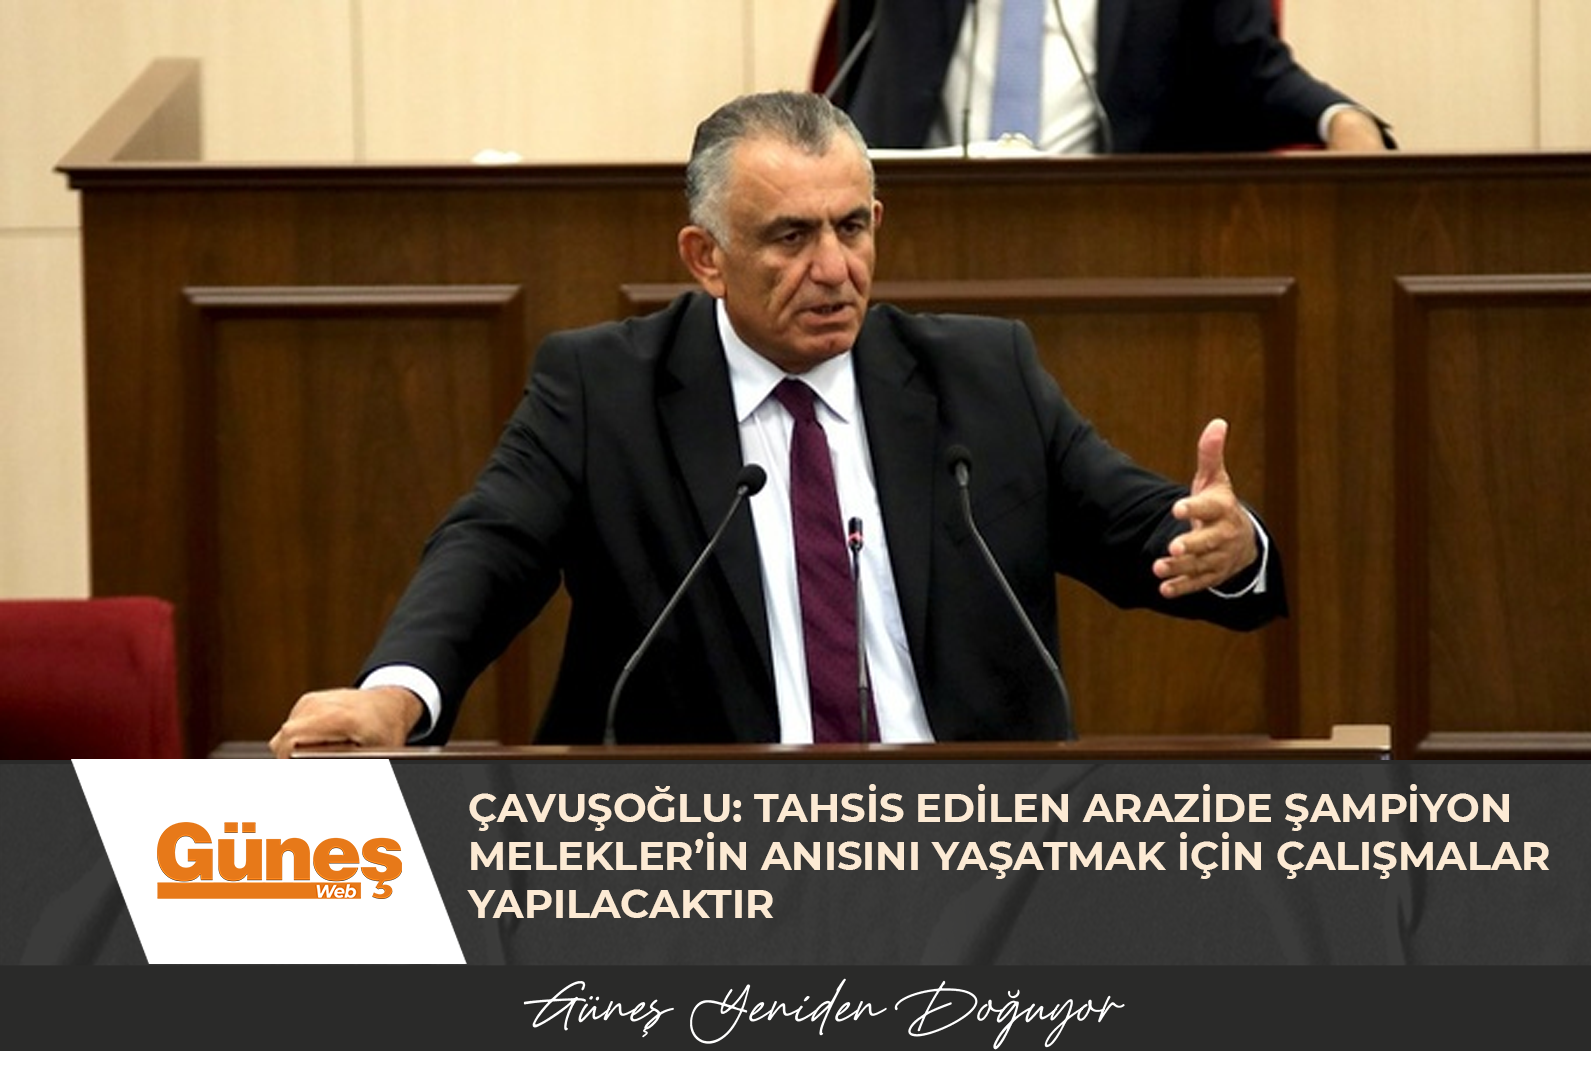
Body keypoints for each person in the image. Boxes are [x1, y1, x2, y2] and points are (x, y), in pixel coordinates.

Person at [269, 90, 1285, 757]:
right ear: (705, 257)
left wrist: (1227, 547)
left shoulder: (981, 375)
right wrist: (395, 696)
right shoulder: (603, 390)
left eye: (851, 227)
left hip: (966, 843)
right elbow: (488, 550)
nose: (834, 269)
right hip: (708, 856)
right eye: (790, 237)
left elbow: (1141, 531)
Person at [828, 0, 1392, 153]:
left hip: (1107, 241)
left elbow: (1252, 71)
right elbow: (857, 66)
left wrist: (1341, 120)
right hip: (922, 239)